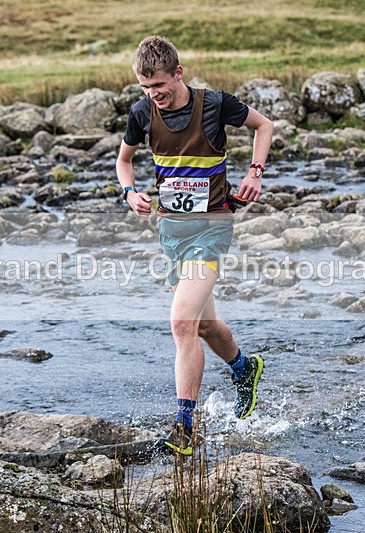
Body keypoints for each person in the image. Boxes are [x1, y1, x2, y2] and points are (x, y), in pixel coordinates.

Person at [116, 35, 274, 456]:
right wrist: (129, 193)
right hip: (172, 232)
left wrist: (255, 172)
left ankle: (185, 429)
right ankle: (244, 368)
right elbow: (124, 161)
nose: (153, 94)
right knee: (203, 325)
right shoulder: (142, 113)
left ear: (178, 73)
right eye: (145, 87)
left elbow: (264, 125)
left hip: (212, 227)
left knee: (181, 323)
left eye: (159, 85)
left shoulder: (215, 104)